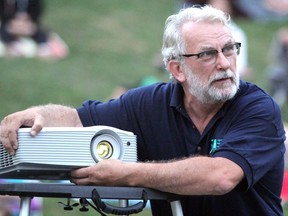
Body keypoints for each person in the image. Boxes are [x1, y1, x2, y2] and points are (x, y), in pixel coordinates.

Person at [0, 5, 286, 216]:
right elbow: (78, 119)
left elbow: (221, 177)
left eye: (229, 49)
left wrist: (127, 173)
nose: (224, 63)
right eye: (208, 53)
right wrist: (36, 113)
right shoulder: (149, 103)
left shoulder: (257, 108)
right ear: (177, 69)